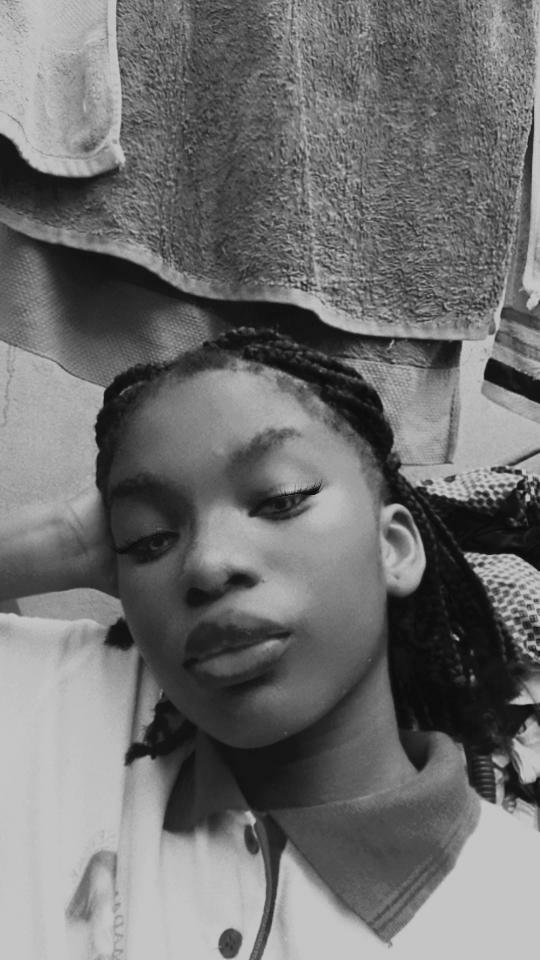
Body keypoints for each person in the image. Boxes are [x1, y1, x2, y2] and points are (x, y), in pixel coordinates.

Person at [1, 325, 539, 960]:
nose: (206, 564)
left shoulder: (515, 915)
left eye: (280, 501)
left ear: (392, 548)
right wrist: (63, 538)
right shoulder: (64, 707)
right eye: (148, 538)